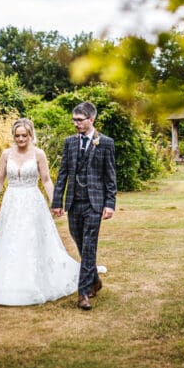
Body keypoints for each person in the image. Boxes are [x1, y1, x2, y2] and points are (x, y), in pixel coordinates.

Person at [0, 118, 79, 306]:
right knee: (11, 240)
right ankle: (8, 285)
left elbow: (46, 180)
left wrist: (55, 202)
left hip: (32, 201)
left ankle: (34, 283)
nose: (21, 139)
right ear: (13, 136)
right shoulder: (6, 154)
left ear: (30, 135)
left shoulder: (38, 154)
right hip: (11, 202)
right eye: (17, 135)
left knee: (30, 239)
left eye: (24, 135)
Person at [52, 101, 118, 311]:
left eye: (79, 120)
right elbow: (62, 174)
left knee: (89, 244)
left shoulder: (105, 142)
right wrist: (57, 202)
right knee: (79, 240)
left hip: (94, 202)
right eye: (74, 119)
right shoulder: (69, 143)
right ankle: (95, 279)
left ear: (91, 120)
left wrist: (110, 203)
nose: (75, 124)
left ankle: (83, 293)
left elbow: (110, 176)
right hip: (74, 201)